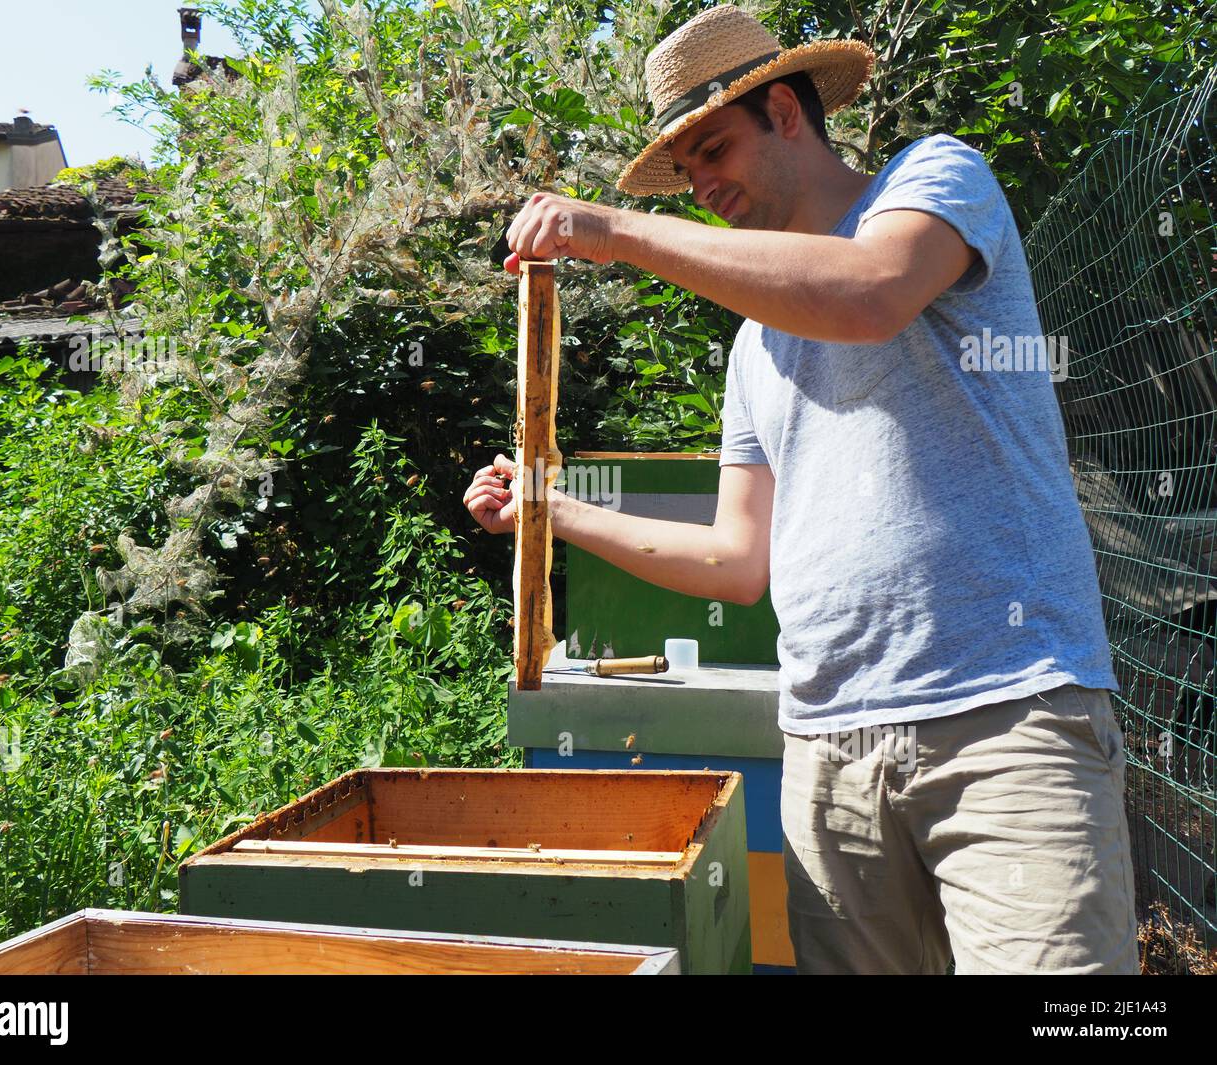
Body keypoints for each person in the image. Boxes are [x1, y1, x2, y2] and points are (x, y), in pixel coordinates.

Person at [463, 4, 1137, 974]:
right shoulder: (752, 347)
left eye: (713, 149)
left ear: (785, 109)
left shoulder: (935, 179)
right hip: (828, 752)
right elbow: (739, 563)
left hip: (1005, 718)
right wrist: (551, 512)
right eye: (684, 170)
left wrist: (610, 229)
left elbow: (866, 292)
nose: (701, 185)